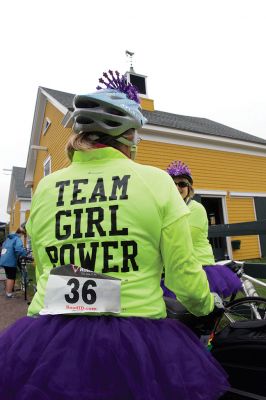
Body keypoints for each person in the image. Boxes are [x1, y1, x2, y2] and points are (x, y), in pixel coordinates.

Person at [0, 70, 228, 400]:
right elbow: (181, 273)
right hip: (135, 336)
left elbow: (42, 260)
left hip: (50, 335)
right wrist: (206, 304)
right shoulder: (155, 182)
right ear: (128, 139)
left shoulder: (46, 187)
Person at [165, 160, 242, 298]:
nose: (177, 187)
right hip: (177, 269)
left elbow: (182, 238)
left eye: (182, 184)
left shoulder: (196, 209)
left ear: (189, 188)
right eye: (173, 183)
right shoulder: (168, 209)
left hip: (199, 265)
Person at [0, 227, 27, 298]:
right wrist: (25, 254)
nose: (22, 236)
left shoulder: (8, 239)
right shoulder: (17, 239)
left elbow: (3, 247)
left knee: (8, 276)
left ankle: (8, 291)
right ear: (20, 233)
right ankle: (9, 294)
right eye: (22, 234)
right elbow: (19, 250)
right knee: (11, 277)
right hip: (10, 261)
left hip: (4, 259)